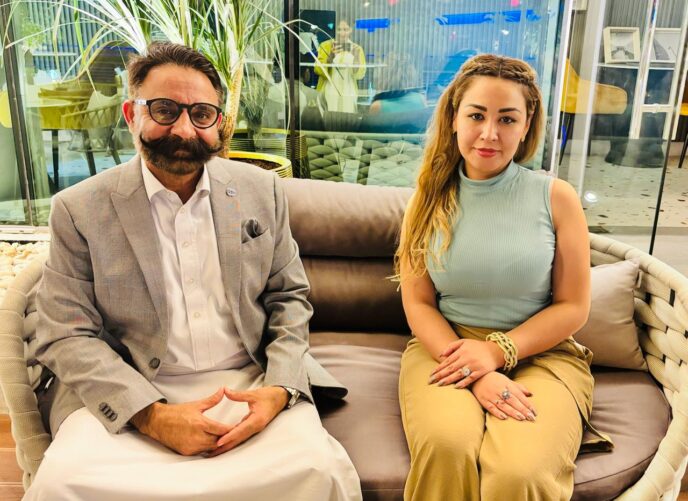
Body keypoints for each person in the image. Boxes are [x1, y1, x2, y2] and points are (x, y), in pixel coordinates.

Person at [26, 42, 362, 501]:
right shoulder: (78, 209)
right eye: (165, 110)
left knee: (318, 471)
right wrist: (151, 415)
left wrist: (280, 389)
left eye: (201, 114)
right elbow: (65, 333)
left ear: (218, 121)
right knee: (62, 483)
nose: (184, 130)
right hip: (131, 384)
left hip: (249, 382)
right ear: (131, 114)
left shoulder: (262, 191)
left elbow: (289, 299)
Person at [394, 54, 612, 501]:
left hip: (543, 353)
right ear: (454, 118)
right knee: (447, 447)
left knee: (519, 472)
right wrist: (476, 371)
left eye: (507, 119)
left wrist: (496, 352)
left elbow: (573, 306)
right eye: (476, 115)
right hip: (446, 349)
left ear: (527, 125)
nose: (490, 133)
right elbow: (418, 303)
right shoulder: (425, 199)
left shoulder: (556, 197)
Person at [315, 19, 366, 113]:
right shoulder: (325, 45)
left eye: (345, 29)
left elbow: (360, 75)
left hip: (348, 94)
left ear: (351, 30)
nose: (342, 33)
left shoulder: (357, 49)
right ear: (335, 30)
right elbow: (317, 70)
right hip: (328, 93)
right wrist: (330, 57)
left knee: (347, 120)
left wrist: (356, 58)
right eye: (339, 29)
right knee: (328, 119)